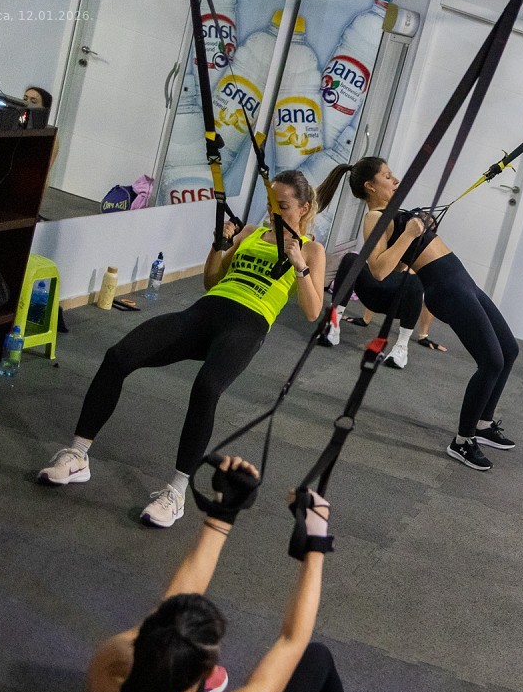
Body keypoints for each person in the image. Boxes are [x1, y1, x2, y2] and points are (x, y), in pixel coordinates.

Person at [87, 457, 370, 692]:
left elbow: (175, 599)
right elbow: (293, 640)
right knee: (313, 658)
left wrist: (223, 512)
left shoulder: (108, 662)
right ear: (206, 669)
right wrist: (316, 543)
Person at [36, 171, 326, 528]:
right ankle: (78, 455)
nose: (273, 212)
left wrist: (299, 265)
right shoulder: (251, 233)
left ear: (304, 208)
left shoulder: (311, 249)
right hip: (205, 312)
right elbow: (211, 281)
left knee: (206, 389)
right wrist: (218, 246)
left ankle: (176, 493)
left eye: (282, 206)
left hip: (247, 325)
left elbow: (312, 311)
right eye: (270, 204)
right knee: (118, 356)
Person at [315, 157, 517, 472]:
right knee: (492, 361)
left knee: (509, 350)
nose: (395, 180)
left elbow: (400, 260)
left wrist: (418, 230)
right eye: (387, 176)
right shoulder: (374, 217)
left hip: (464, 283)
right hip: (447, 290)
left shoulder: (395, 213)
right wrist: (409, 234)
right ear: (370, 186)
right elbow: (378, 270)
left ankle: (483, 423)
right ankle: (463, 441)